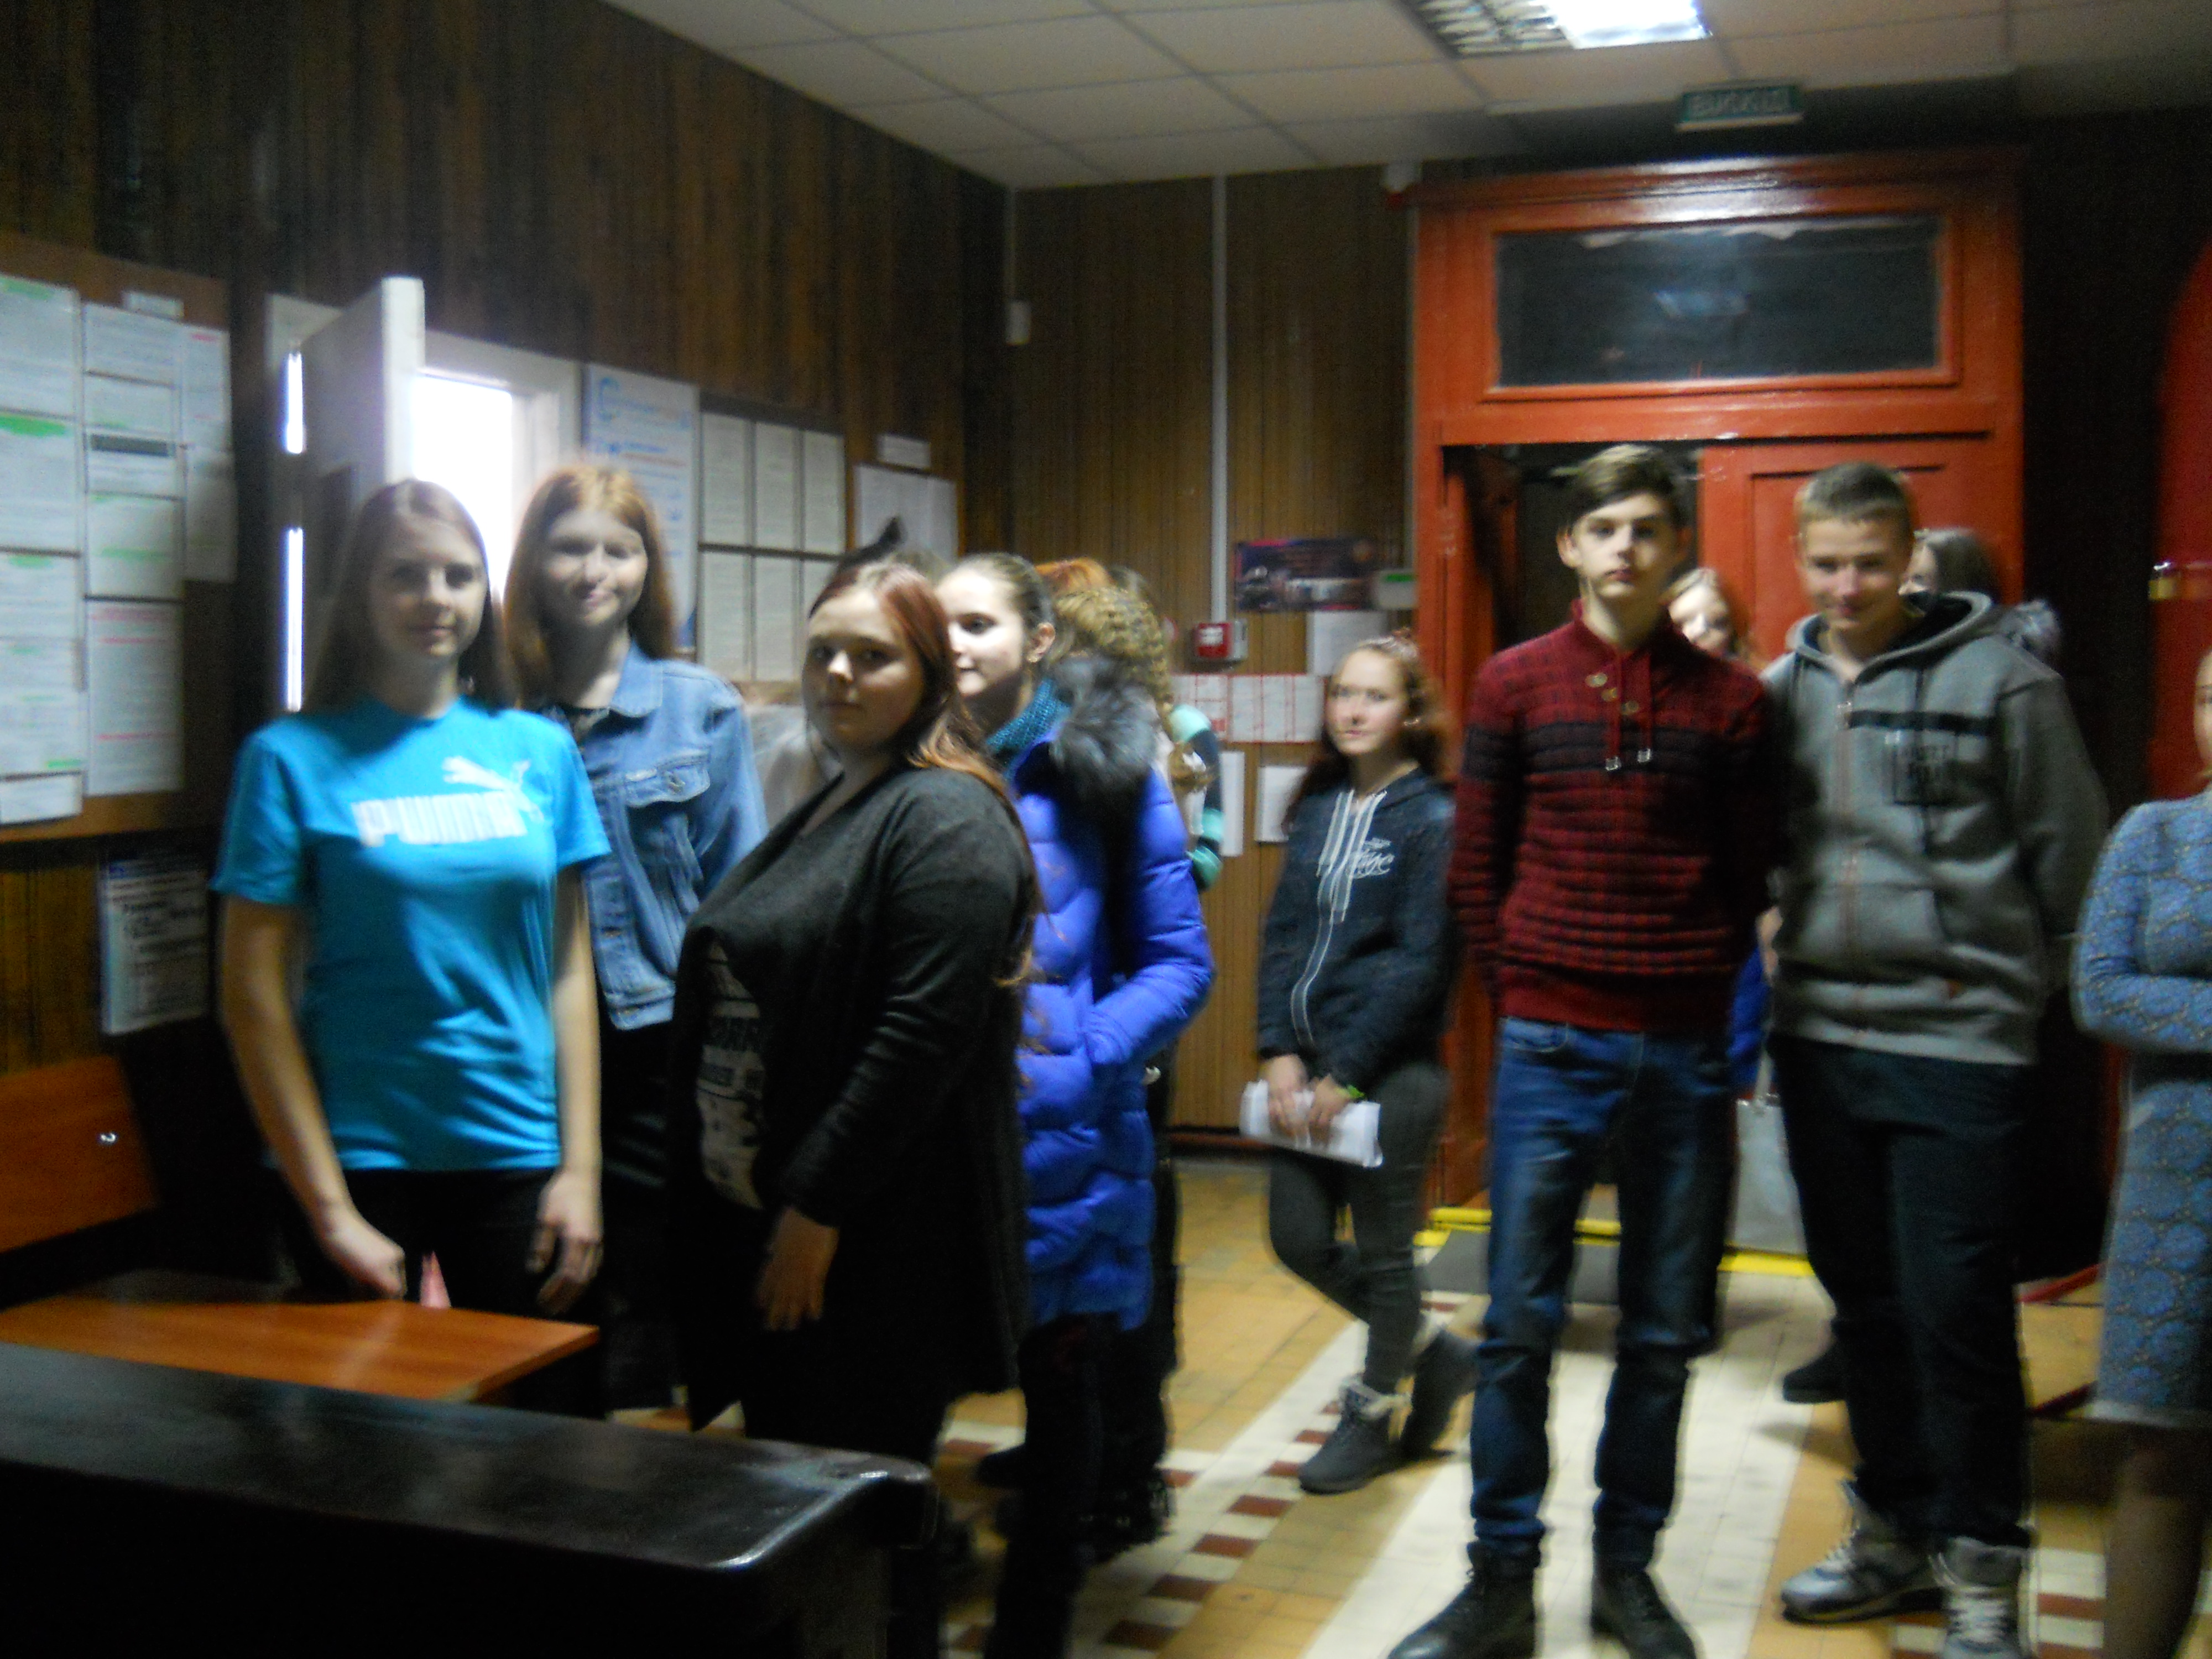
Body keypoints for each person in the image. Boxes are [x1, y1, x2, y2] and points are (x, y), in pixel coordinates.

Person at [1397, 445, 1775, 1659]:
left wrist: (1689, 985)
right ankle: (1500, 1580)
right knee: (1519, 1323)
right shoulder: (1513, 684)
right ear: (1570, 545)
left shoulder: (1733, 701)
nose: (1624, 548)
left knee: (1663, 1334)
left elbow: (1747, 873)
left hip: (1680, 1053)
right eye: (1603, 528)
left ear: (1676, 547)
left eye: (1647, 529)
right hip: (1550, 1045)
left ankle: (1626, 1572)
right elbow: (1477, 864)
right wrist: (1524, 994)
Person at [1764, 463, 2106, 1659]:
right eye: (1825, 563)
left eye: (1871, 561)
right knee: (1864, 1310)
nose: (1847, 586)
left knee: (1955, 1315)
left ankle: (1982, 1570)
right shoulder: (1779, 695)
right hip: (1819, 1039)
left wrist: (2016, 1007)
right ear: (1798, 560)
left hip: (1957, 1047)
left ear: (1911, 555)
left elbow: (2072, 866)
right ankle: (1894, 1532)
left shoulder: (2004, 684)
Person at [664, 560, 1034, 1659]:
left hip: (872, 1253)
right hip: (791, 1224)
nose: (837, 673)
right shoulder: (848, 791)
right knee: (814, 1527)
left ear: (927, 675)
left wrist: (815, 1207)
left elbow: (920, 1038)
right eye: (824, 649)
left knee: (863, 1548)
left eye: (872, 656)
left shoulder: (945, 815)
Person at [215, 480, 608, 1376]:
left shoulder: (538, 752)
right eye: (405, 575)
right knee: (363, 1437)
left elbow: (567, 970)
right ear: (359, 594)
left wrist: (580, 1171)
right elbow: (252, 1000)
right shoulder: (289, 759)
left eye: (458, 576)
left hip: (517, 1152)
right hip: (359, 1159)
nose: (436, 598)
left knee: (542, 1429)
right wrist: (328, 1211)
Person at [937, 553, 1212, 1659]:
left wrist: (1080, 1053)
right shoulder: (910, 757)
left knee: (1062, 1405)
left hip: (1071, 1147)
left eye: (980, 623)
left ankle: (1034, 1629)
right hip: (933, 1143)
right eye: (940, 623)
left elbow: (1179, 963)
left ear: (1039, 641)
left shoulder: (1107, 768)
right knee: (910, 1393)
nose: (956, 644)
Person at [505, 463, 766, 1410]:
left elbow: (744, 895)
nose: (594, 572)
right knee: (551, 1289)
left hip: (665, 1046)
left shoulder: (700, 708)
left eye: (619, 551)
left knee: (664, 1296)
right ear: (532, 565)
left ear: (648, 568)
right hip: (529, 1049)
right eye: (571, 548)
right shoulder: (496, 717)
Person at [1257, 634, 1464, 1495]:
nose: (1353, 710)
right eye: (1344, 692)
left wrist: (1345, 1072)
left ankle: (1373, 1412)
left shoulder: (1433, 818)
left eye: (1375, 696)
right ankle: (1437, 1352)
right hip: (1305, 1070)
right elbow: (1283, 936)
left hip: (1389, 1075)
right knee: (1298, 1239)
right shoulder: (1317, 807)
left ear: (1410, 713)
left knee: (1385, 1256)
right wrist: (1277, 1049)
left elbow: (1421, 963)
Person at [2075, 648, 2212, 1659]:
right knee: (2161, 1446)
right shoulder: (2154, 836)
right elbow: (2104, 989)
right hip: (2179, 1192)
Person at [1903, 526, 2063, 669]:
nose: (1903, 591)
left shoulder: (2007, 666)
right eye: (1902, 580)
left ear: (1957, 585)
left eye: (1919, 580)